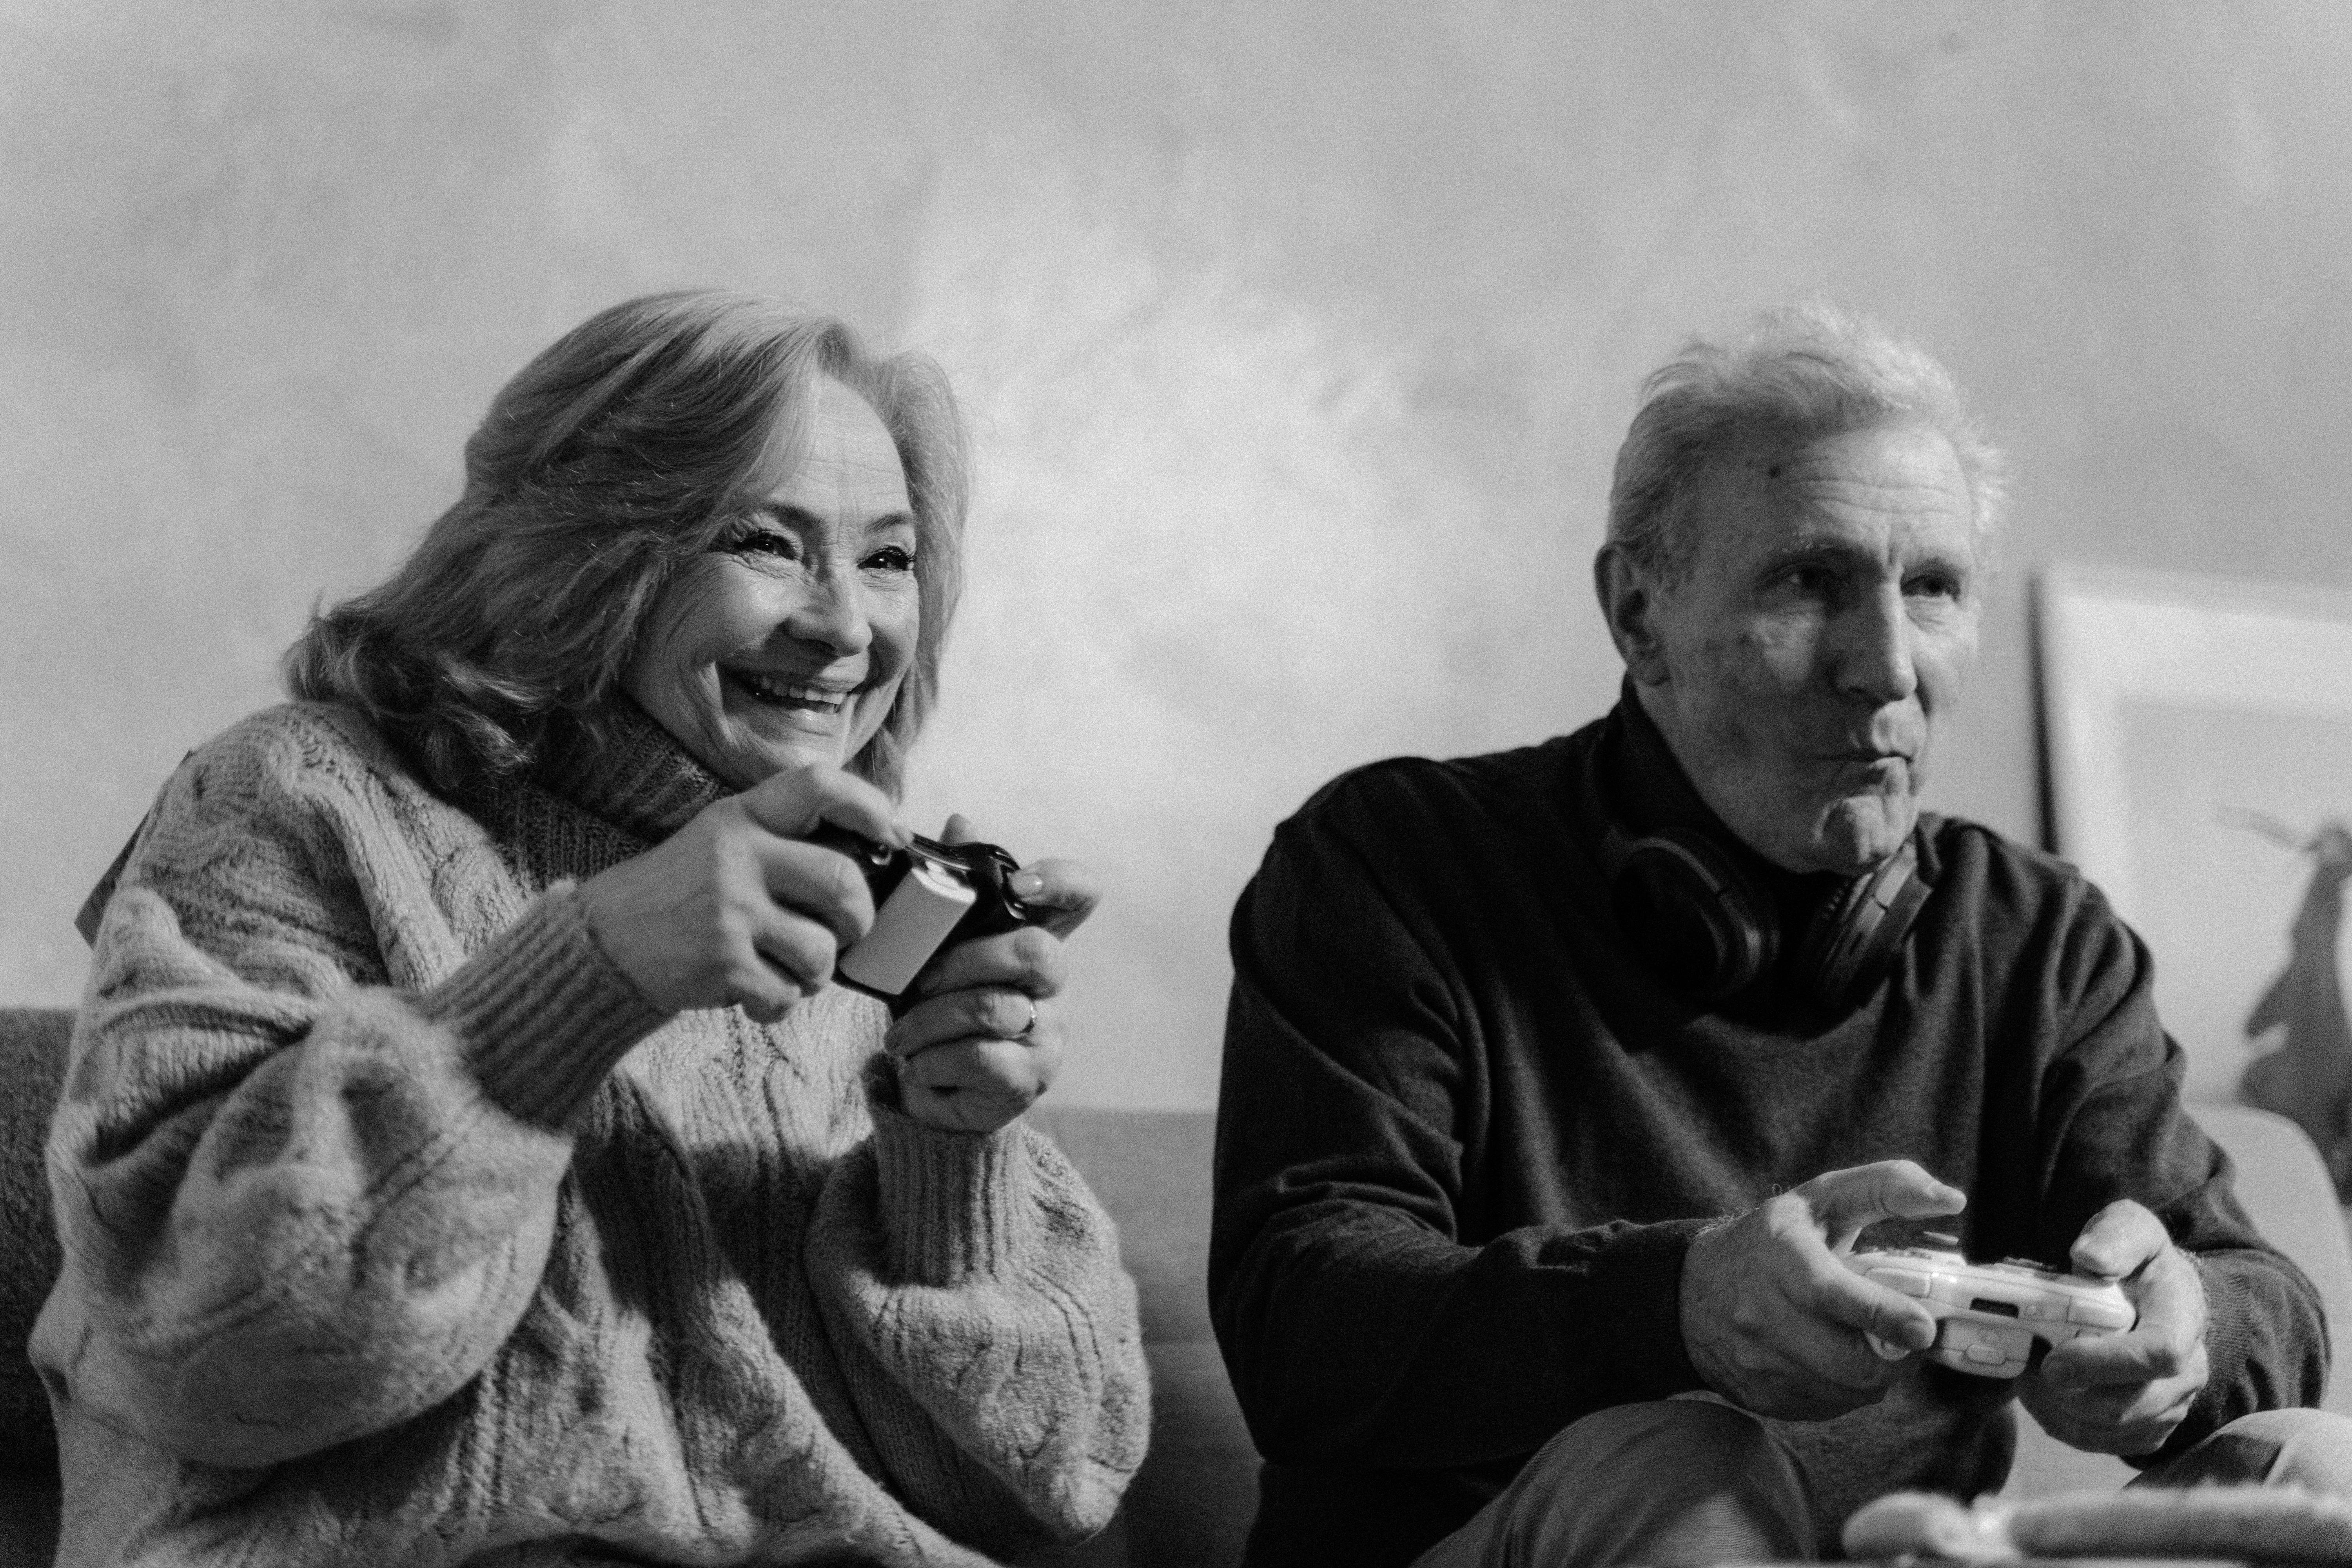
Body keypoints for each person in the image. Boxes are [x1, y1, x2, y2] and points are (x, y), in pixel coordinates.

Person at [1209, 304, 2352, 1568]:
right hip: (1542, 1540)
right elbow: (1300, 1323)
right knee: (1684, 1462)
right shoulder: (1391, 861)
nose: (1887, 666)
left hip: (1908, 1551)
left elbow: (2266, 1296)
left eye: (1932, 589)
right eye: (1809, 581)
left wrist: (2190, 1335)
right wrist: (1676, 1305)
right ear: (1639, 614)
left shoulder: (2039, 939)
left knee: (2313, 1469)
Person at [37, 291, 1147, 1567]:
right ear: (587, 557)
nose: (847, 626)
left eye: (889, 558)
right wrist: (592, 970)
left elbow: (1053, 1486)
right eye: (763, 542)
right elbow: (208, 1357)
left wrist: (955, 1161)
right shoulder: (291, 800)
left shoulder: (863, 900)